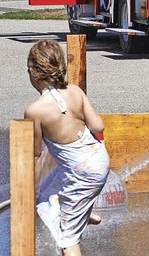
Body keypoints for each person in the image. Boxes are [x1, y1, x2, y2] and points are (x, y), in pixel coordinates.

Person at [24, 39, 110, 256]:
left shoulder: (35, 111)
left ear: (33, 72)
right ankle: (86, 215)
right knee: (54, 185)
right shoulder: (75, 91)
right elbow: (98, 125)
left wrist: (31, 191)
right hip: (99, 160)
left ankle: (73, 224)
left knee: (67, 240)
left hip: (81, 173)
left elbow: (34, 155)